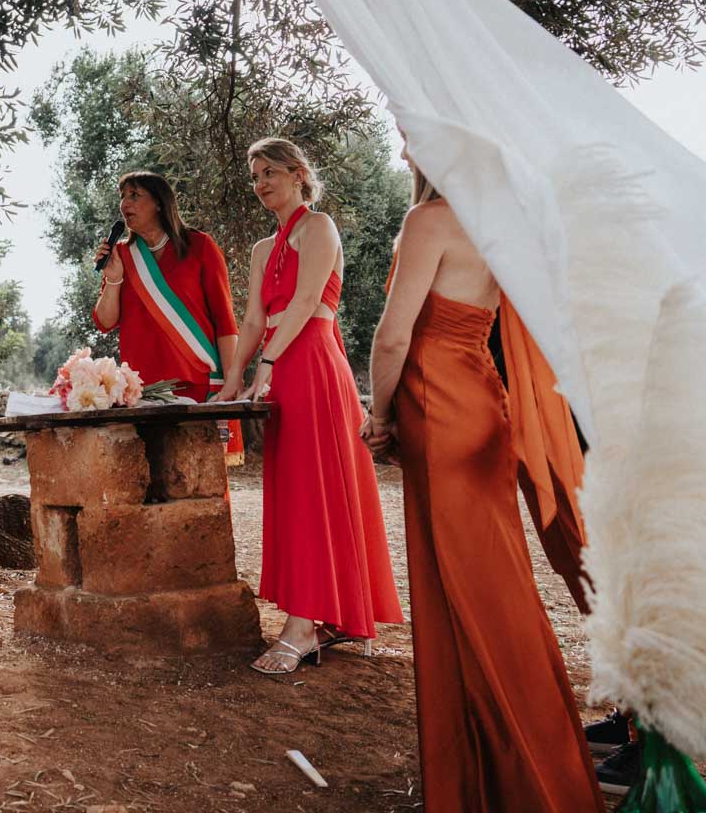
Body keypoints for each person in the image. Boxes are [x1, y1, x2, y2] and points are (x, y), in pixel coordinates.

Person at [362, 159, 604, 812]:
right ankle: (508, 771)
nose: (405, 151)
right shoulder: (501, 221)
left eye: (411, 136)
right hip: (483, 408)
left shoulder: (429, 220)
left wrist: (379, 416)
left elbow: (392, 339)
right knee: (498, 588)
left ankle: (514, 783)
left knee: (466, 596)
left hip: (439, 411)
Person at [218, 136, 401, 674]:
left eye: (270, 173)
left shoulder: (319, 227)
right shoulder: (261, 249)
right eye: (255, 176)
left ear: (298, 174)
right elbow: (253, 319)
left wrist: (269, 363)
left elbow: (305, 301)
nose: (260, 184)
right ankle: (319, 617)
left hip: (315, 364)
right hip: (281, 368)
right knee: (295, 492)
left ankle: (303, 628)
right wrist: (234, 379)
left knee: (315, 489)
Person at [91, 171, 243, 459]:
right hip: (142, 391)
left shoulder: (199, 246)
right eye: (122, 196)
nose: (125, 204)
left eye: (134, 195)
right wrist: (113, 278)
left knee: (200, 474)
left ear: (159, 203)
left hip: (196, 384)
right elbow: (106, 321)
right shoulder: (122, 255)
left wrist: (233, 379)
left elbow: (225, 321)